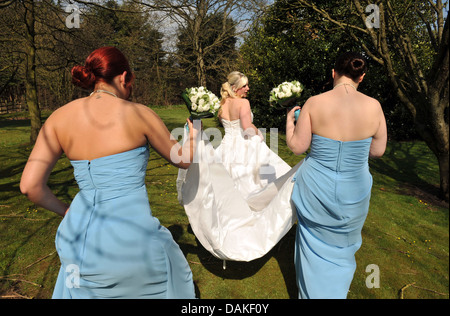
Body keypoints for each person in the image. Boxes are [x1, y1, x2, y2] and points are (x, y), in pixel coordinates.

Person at [20, 46, 198, 299]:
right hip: (132, 238)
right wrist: (195, 132)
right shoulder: (139, 114)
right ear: (124, 77)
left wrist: (65, 210)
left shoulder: (57, 119)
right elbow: (184, 159)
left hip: (78, 241)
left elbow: (29, 186)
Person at [286, 52, 387, 299]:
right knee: (343, 249)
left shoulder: (314, 102)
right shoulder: (374, 106)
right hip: (355, 189)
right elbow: (378, 150)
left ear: (333, 73)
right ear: (361, 77)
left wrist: (290, 121)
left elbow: (297, 147)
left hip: (316, 188)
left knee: (312, 244)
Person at [176, 71, 297, 262]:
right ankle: (256, 217)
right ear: (235, 88)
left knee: (228, 183)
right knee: (258, 179)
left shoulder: (222, 104)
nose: (248, 88)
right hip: (244, 145)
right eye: (244, 86)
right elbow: (247, 128)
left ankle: (230, 217)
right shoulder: (243, 103)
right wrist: (260, 134)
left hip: (226, 146)